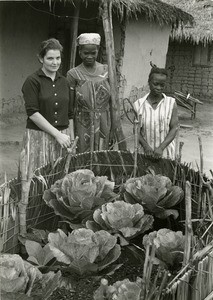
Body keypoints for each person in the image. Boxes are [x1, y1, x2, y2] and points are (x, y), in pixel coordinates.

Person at [20, 38, 74, 176]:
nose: (55, 62)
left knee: (59, 179)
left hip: (62, 138)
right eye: (50, 58)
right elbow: (33, 113)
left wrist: (70, 140)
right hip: (38, 138)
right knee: (36, 179)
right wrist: (57, 134)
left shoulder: (65, 82)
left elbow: (70, 114)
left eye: (58, 58)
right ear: (41, 58)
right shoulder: (32, 81)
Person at [67, 33, 113, 153]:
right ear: (80, 52)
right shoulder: (73, 74)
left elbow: (113, 103)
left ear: (98, 51)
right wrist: (71, 132)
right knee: (83, 154)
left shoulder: (107, 71)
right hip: (82, 123)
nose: (89, 56)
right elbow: (70, 107)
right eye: (86, 53)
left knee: (103, 155)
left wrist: (113, 128)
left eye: (93, 53)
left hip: (104, 121)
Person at [134, 66, 179, 160]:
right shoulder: (138, 105)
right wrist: (146, 146)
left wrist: (161, 148)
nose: (159, 88)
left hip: (166, 154)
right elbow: (136, 131)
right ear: (149, 83)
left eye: (162, 85)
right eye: (155, 84)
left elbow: (174, 128)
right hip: (145, 154)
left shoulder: (171, 103)